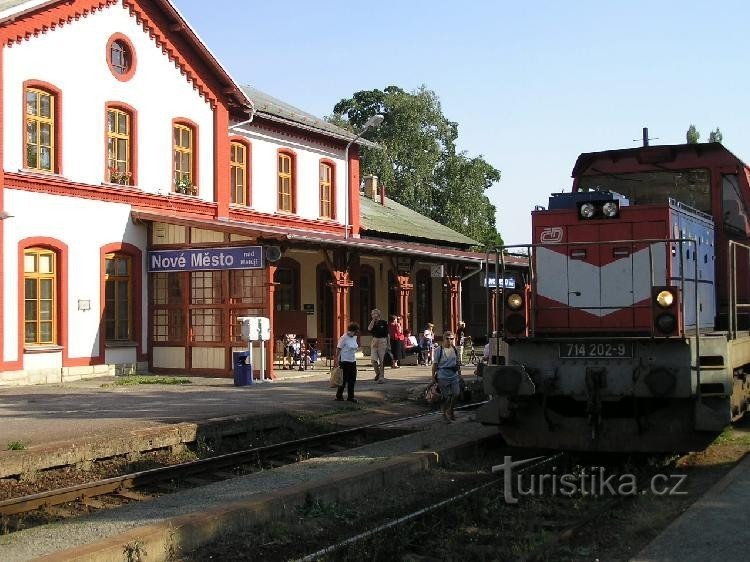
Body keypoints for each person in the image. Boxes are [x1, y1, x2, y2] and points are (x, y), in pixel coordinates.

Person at [432, 330, 461, 423]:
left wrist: (459, 374)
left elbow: (457, 363)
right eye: (447, 338)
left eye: (451, 339)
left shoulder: (455, 349)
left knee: (456, 394)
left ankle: (451, 410)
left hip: (454, 374)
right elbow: (435, 365)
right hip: (442, 375)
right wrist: (433, 377)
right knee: (446, 397)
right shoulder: (438, 350)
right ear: (443, 339)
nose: (449, 340)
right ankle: (444, 414)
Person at [335, 322, 360, 403]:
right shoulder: (343, 338)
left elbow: (355, 347)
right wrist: (336, 360)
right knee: (344, 379)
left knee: (352, 379)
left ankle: (351, 397)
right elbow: (338, 348)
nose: (354, 333)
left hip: (353, 360)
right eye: (354, 332)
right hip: (345, 360)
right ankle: (339, 395)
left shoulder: (354, 337)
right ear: (350, 331)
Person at [368, 308, 389, 383]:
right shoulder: (372, 322)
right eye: (372, 314)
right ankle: (378, 373)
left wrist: (388, 345)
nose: (373, 315)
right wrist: (373, 320)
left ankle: (381, 377)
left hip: (382, 341)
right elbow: (369, 329)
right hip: (374, 341)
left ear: (379, 314)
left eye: (375, 313)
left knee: (382, 360)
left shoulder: (384, 322)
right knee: (373, 360)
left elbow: (387, 334)